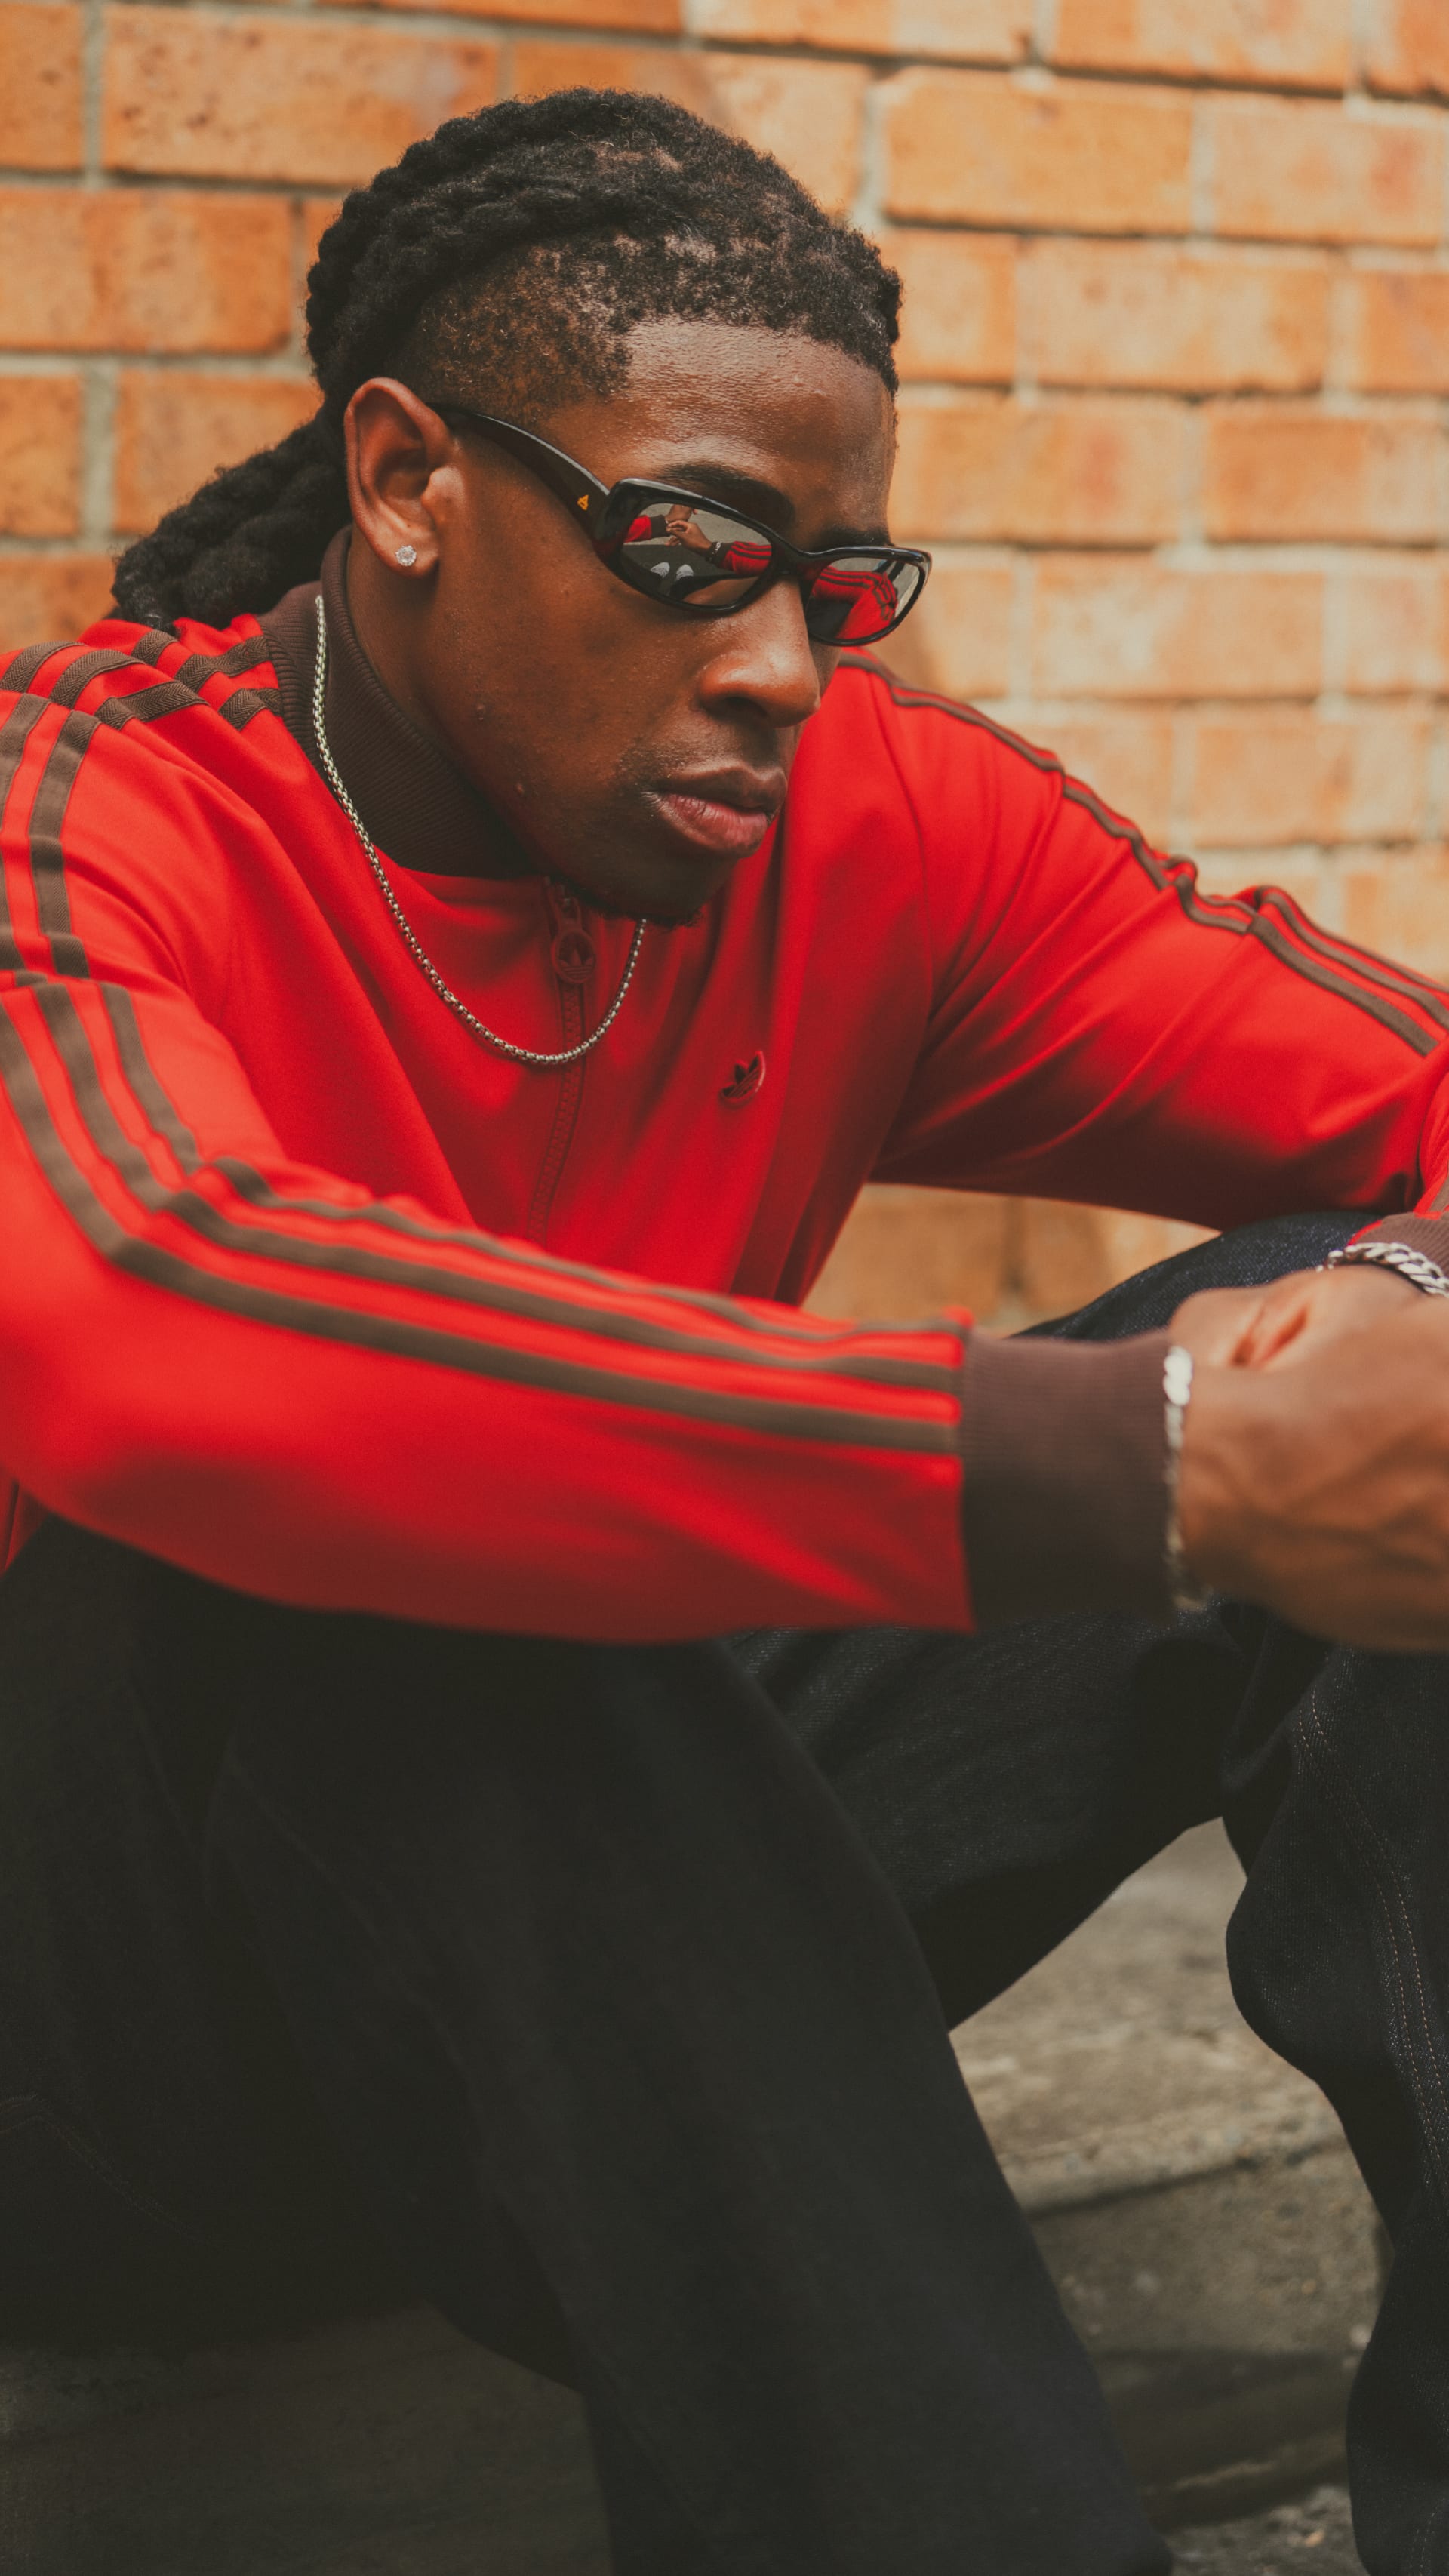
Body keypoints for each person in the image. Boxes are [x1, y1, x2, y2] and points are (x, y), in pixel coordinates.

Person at [2, 85, 1449, 2576]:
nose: (779, 665)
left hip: (605, 1960)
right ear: (404, 478)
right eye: (688, 550)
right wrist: (1153, 1460)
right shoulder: (94, 810)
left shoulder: (863, 831)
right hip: (107, 2053)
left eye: (839, 582)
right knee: (430, 1539)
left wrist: (1384, 1322)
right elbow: (153, 1314)